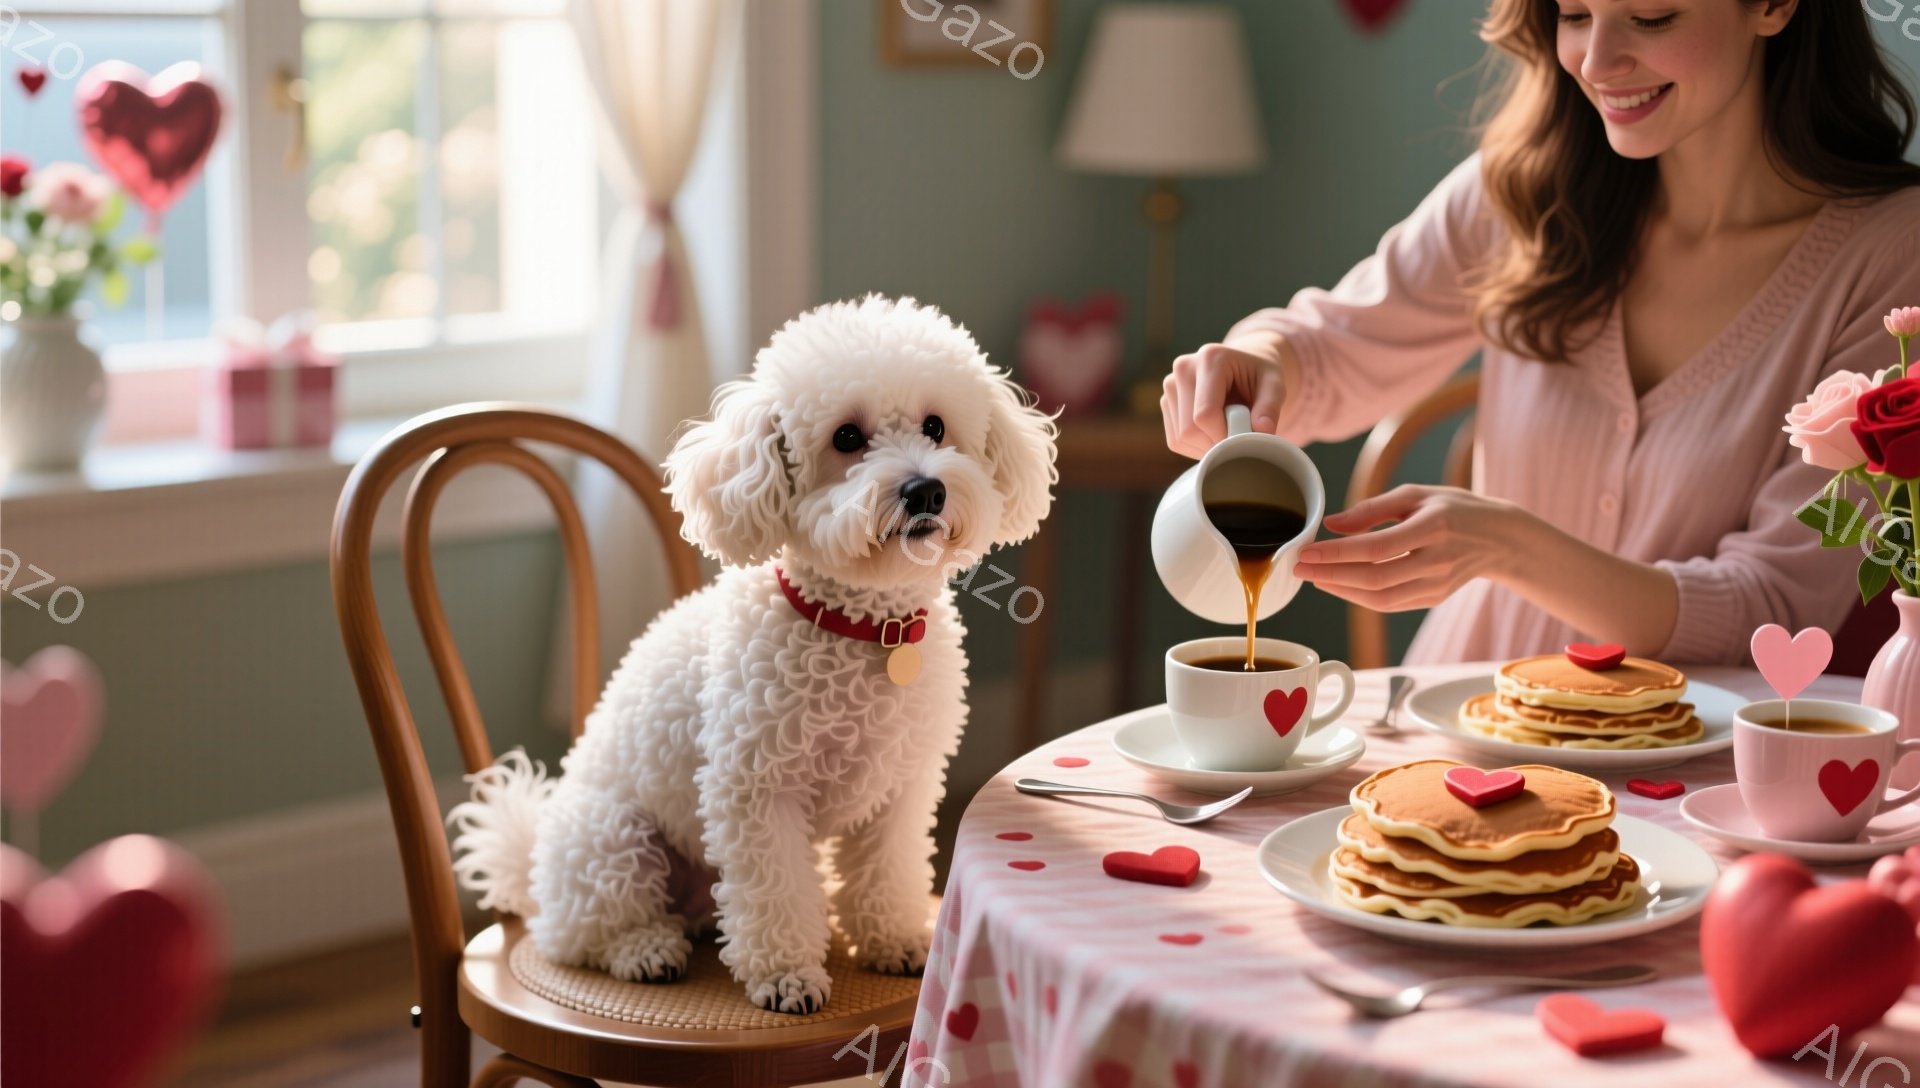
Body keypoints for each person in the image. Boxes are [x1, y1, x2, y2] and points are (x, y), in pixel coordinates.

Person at [1162, 0, 1920, 666]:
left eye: (1652, 18)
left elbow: (1774, 612)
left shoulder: (1892, 254)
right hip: (1460, 732)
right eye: (1574, 13)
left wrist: (1506, 545)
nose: (1597, 61)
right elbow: (1329, 345)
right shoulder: (1521, 194)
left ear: (1775, 4)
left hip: (1688, 792)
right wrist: (1259, 361)